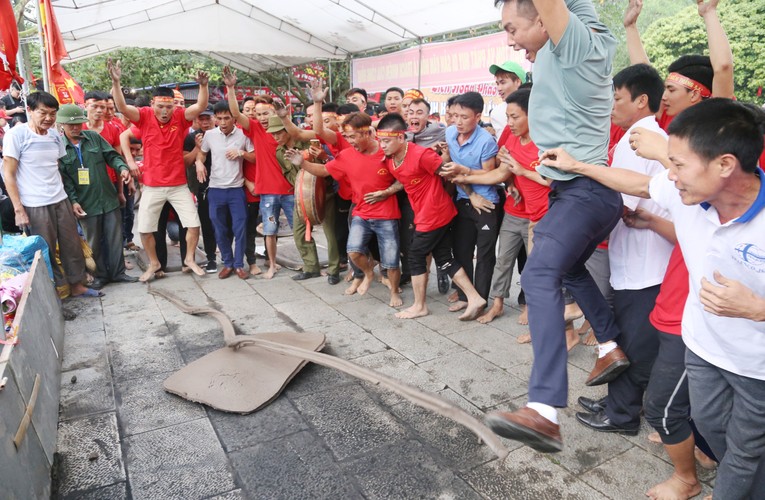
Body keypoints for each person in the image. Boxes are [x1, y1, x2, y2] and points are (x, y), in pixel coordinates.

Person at [542, 97, 765, 500]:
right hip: (702, 348)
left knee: (745, 452)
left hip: (757, 367)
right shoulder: (689, 196)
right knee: (715, 431)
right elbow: (641, 183)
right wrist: (575, 166)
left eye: (678, 164)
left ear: (725, 165)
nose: (671, 175)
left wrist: (758, 309)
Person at [484, 0, 628, 453]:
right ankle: (609, 344)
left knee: (540, 273)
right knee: (565, 270)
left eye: (512, 28)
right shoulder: (574, 35)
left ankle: (543, 410)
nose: (509, 40)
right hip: (581, 194)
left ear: (547, 19)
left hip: (585, 191)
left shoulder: (574, 48)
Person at [574, 64, 673, 440]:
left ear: (641, 100)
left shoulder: (646, 138)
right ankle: (616, 402)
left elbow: (629, 194)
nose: (611, 105)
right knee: (625, 334)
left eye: (617, 98)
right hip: (631, 258)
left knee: (633, 341)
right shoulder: (637, 135)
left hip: (647, 264)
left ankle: (623, 414)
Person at [377, 113, 488, 319]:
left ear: (401, 138)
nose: (382, 145)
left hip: (435, 212)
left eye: (386, 140)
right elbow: (408, 179)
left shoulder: (421, 155)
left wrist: (472, 195)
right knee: (444, 258)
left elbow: (450, 173)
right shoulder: (391, 159)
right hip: (424, 212)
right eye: (380, 140)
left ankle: (420, 306)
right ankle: (474, 297)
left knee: (416, 255)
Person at [108, 58, 210, 281]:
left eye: (168, 107)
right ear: (153, 104)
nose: (164, 111)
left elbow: (200, 106)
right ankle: (154, 263)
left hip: (178, 185)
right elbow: (122, 107)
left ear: (174, 106)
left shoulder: (180, 117)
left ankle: (190, 258)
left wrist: (203, 86)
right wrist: (116, 83)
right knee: (145, 229)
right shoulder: (144, 116)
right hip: (152, 186)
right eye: (160, 106)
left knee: (193, 225)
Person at [289, 112, 403, 307]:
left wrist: (386, 192)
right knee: (353, 251)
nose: (349, 141)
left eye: (353, 136)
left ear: (367, 133)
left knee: (391, 262)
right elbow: (325, 170)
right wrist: (303, 163)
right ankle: (367, 273)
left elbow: (403, 177)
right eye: (346, 136)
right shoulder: (346, 155)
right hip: (361, 212)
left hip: (387, 215)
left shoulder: (386, 152)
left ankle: (394, 292)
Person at [1, 92, 98, 297]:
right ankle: (54, 291)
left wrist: (71, 200)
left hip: (60, 199)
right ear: (29, 111)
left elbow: (58, 169)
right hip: (34, 203)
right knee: (44, 251)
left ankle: (76, 284)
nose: (48, 118)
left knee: (71, 245)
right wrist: (19, 209)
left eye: (53, 113)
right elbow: (8, 174)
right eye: (43, 113)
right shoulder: (16, 135)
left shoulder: (55, 135)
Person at [223, 67, 293, 280]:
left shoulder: (288, 129)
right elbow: (236, 114)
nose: (262, 117)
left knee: (300, 228)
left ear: (275, 112)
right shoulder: (255, 129)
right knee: (270, 229)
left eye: (266, 113)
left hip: (290, 191)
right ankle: (271, 265)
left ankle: (311, 265)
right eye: (259, 113)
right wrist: (231, 88)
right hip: (269, 194)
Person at [57, 104, 138, 289]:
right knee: (94, 241)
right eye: (71, 125)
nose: (76, 128)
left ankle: (118, 273)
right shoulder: (60, 148)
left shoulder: (93, 138)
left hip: (107, 198)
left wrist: (123, 168)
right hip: (86, 203)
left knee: (115, 237)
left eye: (79, 123)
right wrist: (74, 201)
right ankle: (100, 275)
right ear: (62, 125)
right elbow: (65, 180)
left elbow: (112, 156)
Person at [440, 91, 499, 315]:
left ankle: (482, 299)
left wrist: (464, 172)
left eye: (464, 117)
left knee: (484, 255)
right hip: (462, 199)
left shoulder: (485, 140)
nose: (459, 122)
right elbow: (449, 164)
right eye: (455, 116)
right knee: (462, 250)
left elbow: (489, 173)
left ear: (477, 116)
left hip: (486, 203)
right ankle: (466, 296)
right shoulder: (450, 132)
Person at [196, 100, 254, 279]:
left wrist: (241, 153)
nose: (223, 122)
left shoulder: (244, 135)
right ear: (215, 118)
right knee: (219, 228)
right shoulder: (210, 135)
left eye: (226, 118)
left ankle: (238, 264)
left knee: (240, 227)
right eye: (219, 118)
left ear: (234, 118)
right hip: (215, 189)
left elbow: (255, 157)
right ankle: (227, 263)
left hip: (236, 189)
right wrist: (199, 162)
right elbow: (202, 153)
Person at [183, 104, 219, 273]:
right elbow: (185, 162)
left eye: (208, 118)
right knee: (206, 222)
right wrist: (198, 150)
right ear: (196, 121)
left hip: (226, 184)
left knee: (225, 222)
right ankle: (211, 257)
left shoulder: (223, 134)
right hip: (203, 186)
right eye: (201, 119)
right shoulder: (191, 138)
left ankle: (229, 255)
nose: (205, 122)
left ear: (215, 118)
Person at [488, 61, 526, 133]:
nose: (499, 88)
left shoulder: (534, 106)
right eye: (497, 83)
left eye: (503, 82)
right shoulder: (497, 113)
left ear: (518, 82)